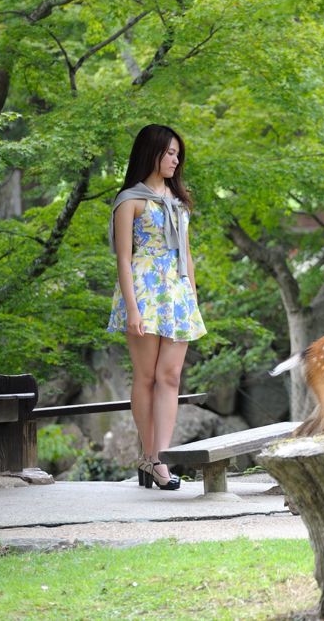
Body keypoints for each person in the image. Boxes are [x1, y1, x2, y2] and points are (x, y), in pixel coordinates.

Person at [107, 124, 206, 491]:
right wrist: (132, 309)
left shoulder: (178, 200)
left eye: (177, 154)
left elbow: (187, 254)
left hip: (176, 294)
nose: (175, 159)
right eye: (169, 153)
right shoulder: (129, 200)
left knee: (171, 378)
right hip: (145, 293)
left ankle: (160, 458)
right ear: (151, 153)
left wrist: (191, 298)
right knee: (146, 377)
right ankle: (149, 458)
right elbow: (123, 260)